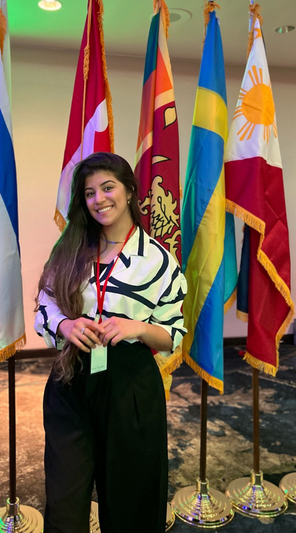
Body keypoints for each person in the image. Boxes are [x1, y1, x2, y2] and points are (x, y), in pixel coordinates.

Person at [34, 152, 187, 533]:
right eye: (89, 193)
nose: (99, 199)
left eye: (108, 187)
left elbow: (172, 335)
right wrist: (66, 326)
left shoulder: (159, 260)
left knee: (131, 502)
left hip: (130, 387)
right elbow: (44, 307)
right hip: (72, 381)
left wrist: (136, 327)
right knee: (65, 502)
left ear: (131, 191)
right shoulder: (70, 247)